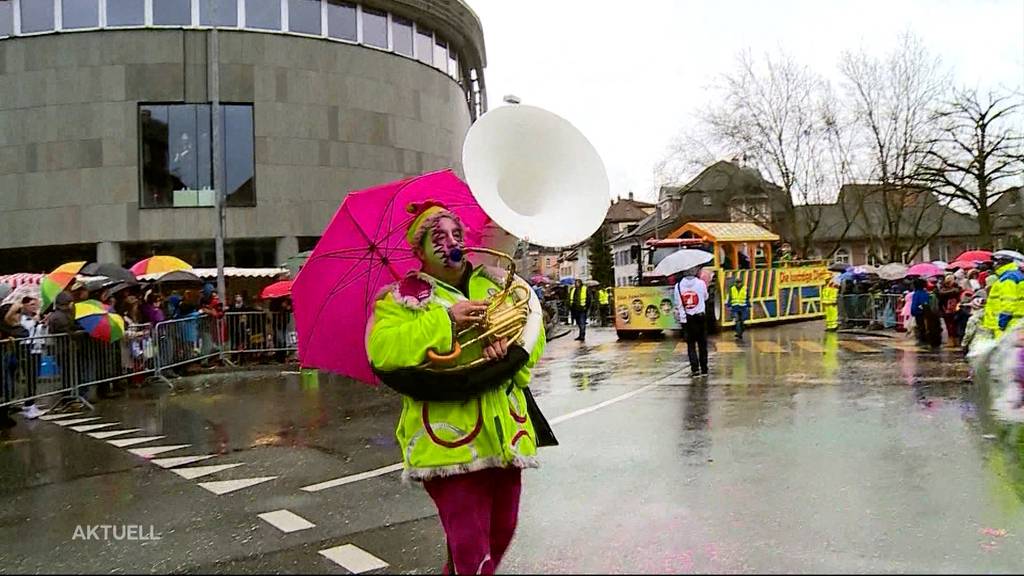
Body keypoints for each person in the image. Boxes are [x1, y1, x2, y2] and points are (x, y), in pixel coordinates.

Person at [366, 201, 546, 575]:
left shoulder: (496, 282)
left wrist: (508, 354)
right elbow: (383, 349)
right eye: (439, 236)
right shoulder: (403, 297)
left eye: (456, 234)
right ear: (419, 251)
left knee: (500, 533)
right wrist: (446, 319)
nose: (451, 241)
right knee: (470, 545)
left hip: (506, 431)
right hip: (447, 441)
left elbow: (533, 334)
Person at [674, 267, 709, 376]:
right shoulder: (701, 283)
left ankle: (695, 369)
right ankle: (704, 369)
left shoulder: (678, 286)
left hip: (687, 319)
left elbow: (678, 303)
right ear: (694, 272)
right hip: (700, 317)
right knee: (702, 344)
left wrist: (682, 318)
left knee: (691, 345)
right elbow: (705, 297)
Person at [982, 252, 1024, 338]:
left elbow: (1008, 302)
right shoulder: (1015, 275)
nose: (994, 265)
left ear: (1001, 263)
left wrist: (1002, 323)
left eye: (995, 262)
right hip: (1016, 323)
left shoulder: (1008, 278)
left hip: (1007, 325)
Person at [938, 275, 963, 347]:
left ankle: (953, 341)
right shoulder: (955, 289)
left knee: (953, 325)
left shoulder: (944, 290)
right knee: (950, 326)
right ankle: (952, 341)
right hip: (948, 310)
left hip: (952, 309)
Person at [910, 279, 930, 344]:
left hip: (920, 313)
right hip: (920, 312)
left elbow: (923, 303)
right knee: (921, 326)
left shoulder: (918, 294)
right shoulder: (922, 293)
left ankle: (923, 340)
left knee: (921, 327)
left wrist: (918, 309)